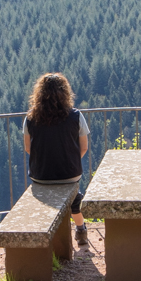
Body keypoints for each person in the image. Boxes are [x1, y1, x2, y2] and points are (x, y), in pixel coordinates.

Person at [22, 73, 90, 245]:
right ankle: (81, 230)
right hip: (70, 172)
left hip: (41, 174)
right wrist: (68, 159)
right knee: (74, 197)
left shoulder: (30, 118)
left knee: (46, 195)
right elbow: (84, 147)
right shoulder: (76, 116)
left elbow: (28, 148)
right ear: (65, 92)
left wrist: (46, 160)